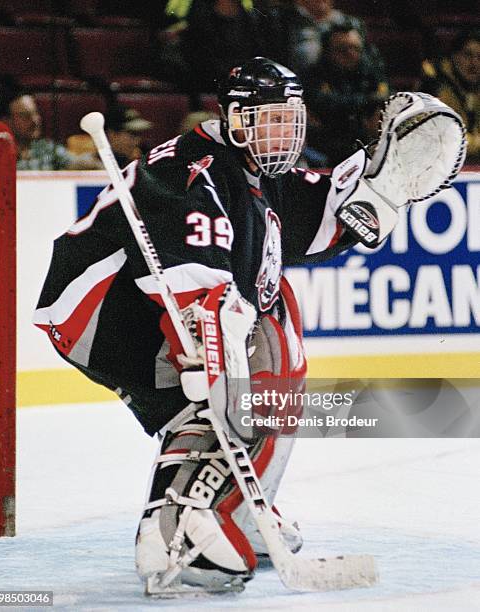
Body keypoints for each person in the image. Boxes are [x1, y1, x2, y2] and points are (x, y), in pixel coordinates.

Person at [32, 58, 409, 593]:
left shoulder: (254, 170)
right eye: (268, 120)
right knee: (247, 370)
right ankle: (177, 530)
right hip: (105, 309)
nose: (282, 135)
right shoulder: (193, 168)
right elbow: (191, 276)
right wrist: (208, 346)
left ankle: (233, 509)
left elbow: (322, 214)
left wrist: (384, 186)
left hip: (142, 305)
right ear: (234, 118)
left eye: (289, 121)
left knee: (261, 339)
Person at [303, 23, 389, 166]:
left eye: (356, 48)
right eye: (342, 50)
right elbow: (323, 104)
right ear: (327, 51)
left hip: (365, 139)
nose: (351, 53)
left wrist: (359, 103)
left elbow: (384, 97)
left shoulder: (370, 70)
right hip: (328, 143)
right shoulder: (314, 74)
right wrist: (365, 101)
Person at [420, 28, 479, 164]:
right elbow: (439, 138)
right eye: (468, 55)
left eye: (479, 57)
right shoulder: (434, 84)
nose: (474, 63)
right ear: (454, 56)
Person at [0, 92, 93, 171]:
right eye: (25, 116)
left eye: (36, 113)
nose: (35, 120)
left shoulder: (47, 149)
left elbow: (78, 163)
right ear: (6, 121)